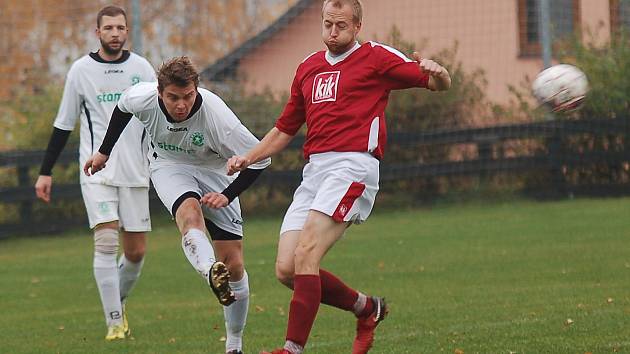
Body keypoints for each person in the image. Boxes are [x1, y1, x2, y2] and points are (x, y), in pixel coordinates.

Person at [226, 0, 451, 353]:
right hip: (315, 171)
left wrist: (439, 72)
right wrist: (247, 157)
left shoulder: (376, 57)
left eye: (341, 26)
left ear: (357, 26)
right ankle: (367, 308)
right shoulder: (307, 68)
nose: (332, 32)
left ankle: (291, 349)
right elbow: (284, 129)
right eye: (327, 24)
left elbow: (437, 84)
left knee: (307, 254)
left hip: (353, 166)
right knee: (287, 269)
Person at [83, 56, 270, 354]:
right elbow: (122, 108)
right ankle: (210, 271)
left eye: (187, 97)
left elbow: (262, 159)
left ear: (197, 89)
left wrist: (229, 194)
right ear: (159, 93)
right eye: (172, 97)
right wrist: (104, 152)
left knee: (234, 265)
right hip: (169, 165)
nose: (181, 105)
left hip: (217, 172)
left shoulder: (217, 115)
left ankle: (234, 343)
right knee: (189, 215)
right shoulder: (142, 97)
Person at [34, 6, 156, 341]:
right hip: (95, 170)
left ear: (127, 31)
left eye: (121, 27)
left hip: (135, 170)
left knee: (136, 253)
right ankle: (114, 322)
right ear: (97, 32)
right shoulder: (81, 70)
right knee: (105, 241)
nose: (115, 33)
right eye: (109, 28)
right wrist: (46, 172)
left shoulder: (142, 68)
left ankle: (115, 302)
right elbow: (63, 124)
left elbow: (157, 116)